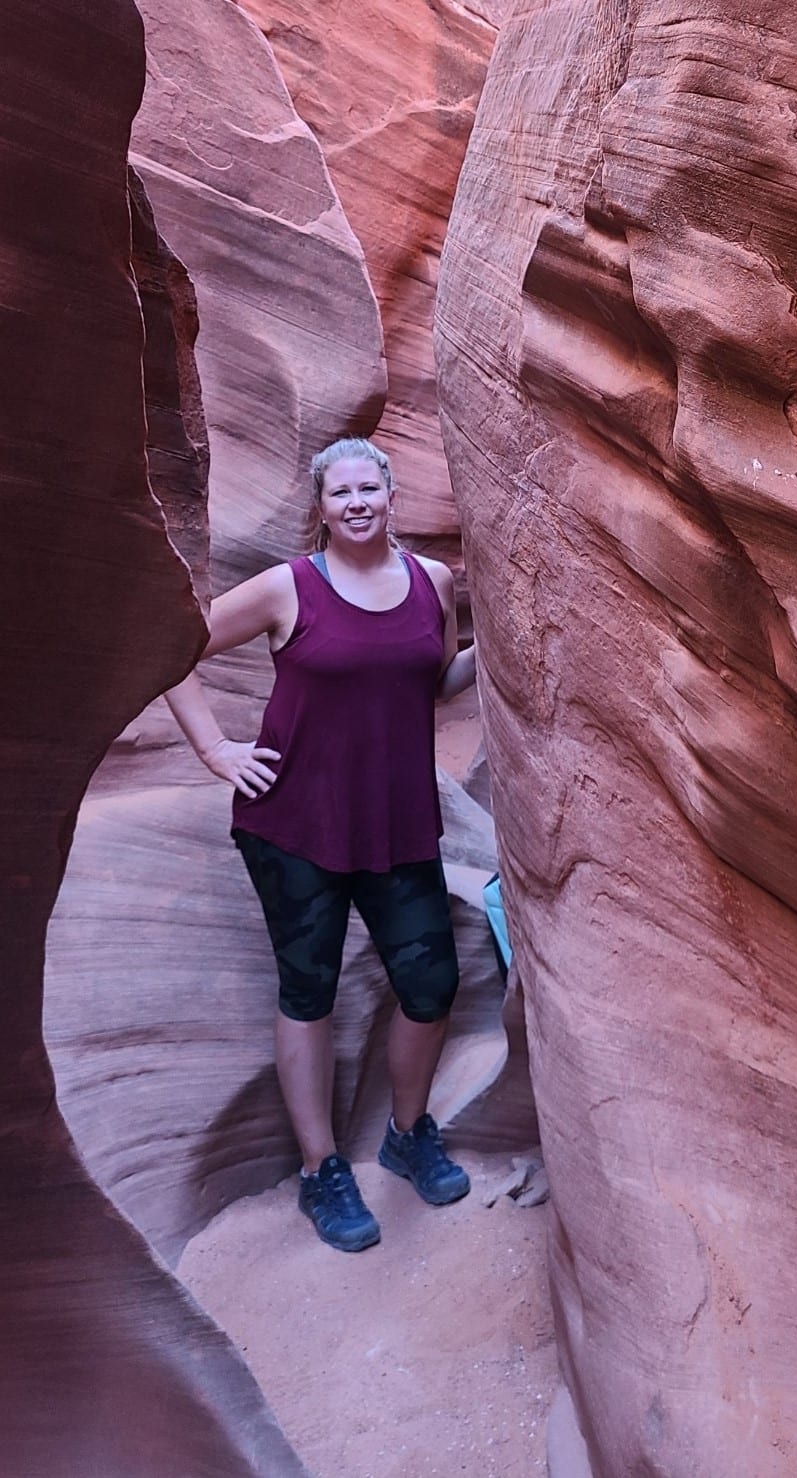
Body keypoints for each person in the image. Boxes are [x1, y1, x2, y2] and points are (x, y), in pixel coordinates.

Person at [164, 437, 480, 1252]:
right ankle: (320, 1172)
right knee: (309, 990)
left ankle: (407, 1134)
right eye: (339, 493)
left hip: (398, 820)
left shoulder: (432, 583)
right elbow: (171, 650)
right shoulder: (288, 588)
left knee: (430, 984)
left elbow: (433, 682)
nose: (356, 503)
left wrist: (493, 654)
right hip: (295, 826)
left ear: (389, 492)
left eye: (367, 487)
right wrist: (215, 751)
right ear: (322, 506)